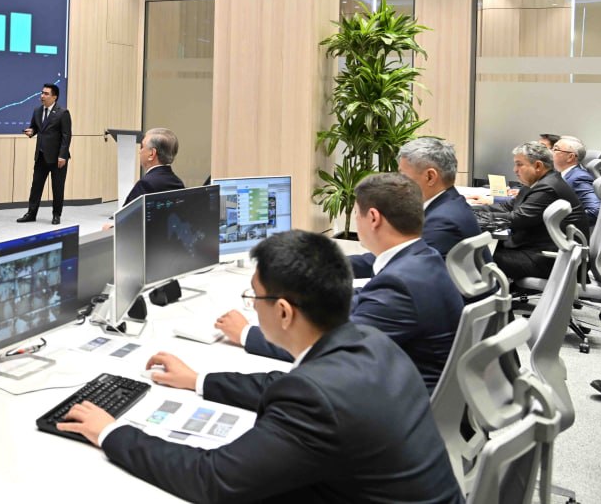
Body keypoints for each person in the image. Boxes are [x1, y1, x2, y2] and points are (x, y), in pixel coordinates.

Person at [58, 230, 463, 503]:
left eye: (254, 297)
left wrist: (111, 432)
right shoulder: (373, 343)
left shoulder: (315, 397)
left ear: (284, 312)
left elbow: (212, 478)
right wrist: (199, 379)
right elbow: (282, 384)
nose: (251, 306)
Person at [215, 173, 463, 393]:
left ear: (373, 218)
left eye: (356, 214)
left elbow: (326, 352)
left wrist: (246, 334)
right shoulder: (424, 258)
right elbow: (363, 299)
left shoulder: (399, 284)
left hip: (397, 405)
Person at [477, 141, 581, 282]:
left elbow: (517, 218)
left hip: (548, 259)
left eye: (519, 164)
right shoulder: (538, 182)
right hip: (537, 250)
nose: (515, 170)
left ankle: (486, 294)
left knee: (475, 256)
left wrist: (475, 217)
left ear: (538, 166)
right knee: (483, 249)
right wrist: (470, 209)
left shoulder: (548, 187)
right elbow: (508, 206)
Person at [397, 137, 484, 258]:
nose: (400, 182)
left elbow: (406, 264)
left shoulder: (440, 222)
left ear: (430, 177)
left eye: (403, 175)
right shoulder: (452, 203)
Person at [17, 83, 71, 225]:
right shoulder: (37, 110)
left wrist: (63, 155)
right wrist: (31, 132)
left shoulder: (62, 113)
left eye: (46, 94)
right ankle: (31, 213)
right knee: (36, 186)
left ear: (54, 97)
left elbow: (66, 136)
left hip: (57, 158)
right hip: (41, 156)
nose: (42, 96)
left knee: (57, 188)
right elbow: (35, 127)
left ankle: (56, 215)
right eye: (42, 93)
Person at [123, 128, 185, 205]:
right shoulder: (178, 183)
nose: (140, 151)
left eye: (142, 147)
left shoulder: (145, 184)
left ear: (152, 154)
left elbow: (126, 212)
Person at [553, 136, 600, 227]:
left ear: (570, 157)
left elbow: (594, 211)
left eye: (555, 149)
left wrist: (558, 221)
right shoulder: (561, 174)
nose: (551, 152)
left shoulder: (578, 178)